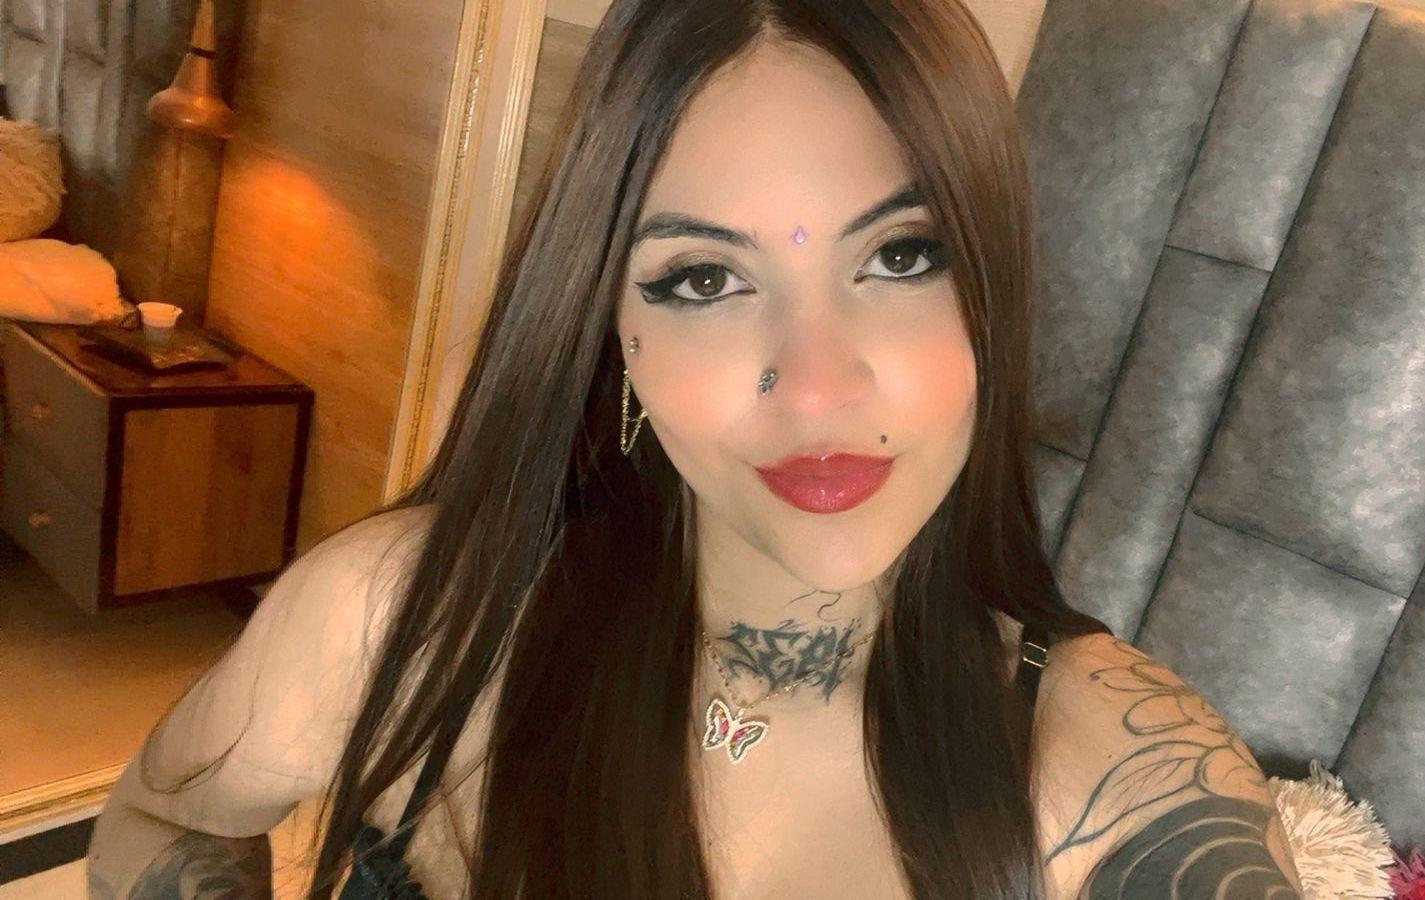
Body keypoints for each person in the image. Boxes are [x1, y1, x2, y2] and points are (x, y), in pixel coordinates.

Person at [86, 0, 1306, 897]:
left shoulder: (1131, 779)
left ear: (990, 290)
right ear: (615, 334)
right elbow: (163, 819)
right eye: (706, 279)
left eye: (901, 256)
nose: (817, 386)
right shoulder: (403, 616)